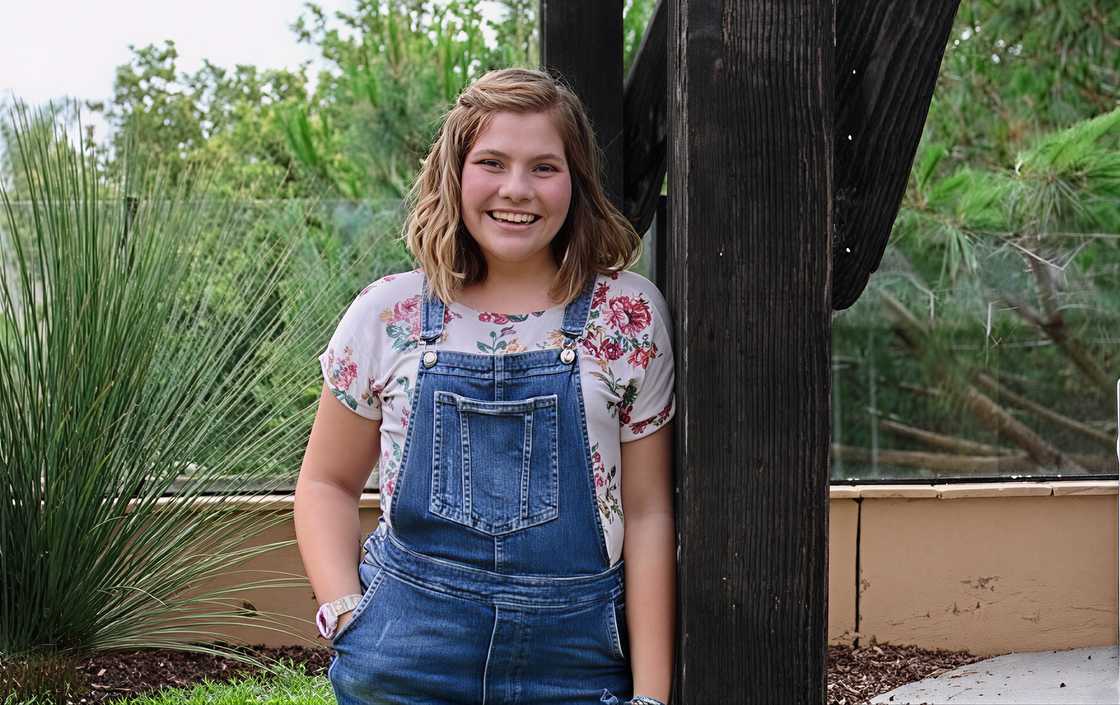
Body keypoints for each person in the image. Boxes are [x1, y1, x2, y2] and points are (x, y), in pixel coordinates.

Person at [294, 67, 676, 705]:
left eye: (545, 167)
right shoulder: (389, 313)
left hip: (575, 658)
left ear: (577, 182)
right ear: (456, 174)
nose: (516, 189)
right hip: (407, 652)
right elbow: (326, 483)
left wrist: (651, 696)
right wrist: (345, 615)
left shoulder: (627, 315)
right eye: (492, 162)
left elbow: (648, 514)